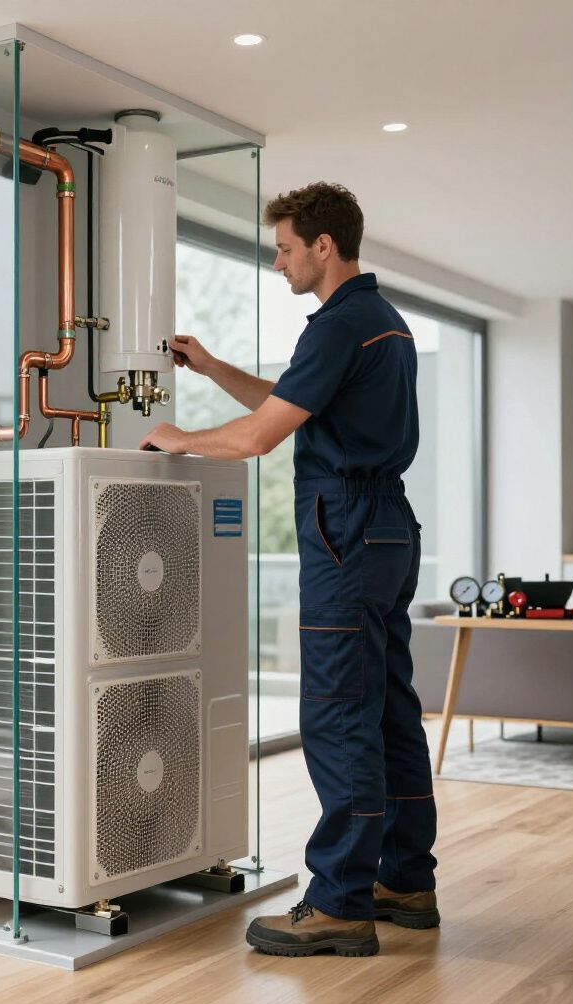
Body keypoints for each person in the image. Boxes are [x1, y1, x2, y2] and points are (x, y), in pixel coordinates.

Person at [139, 182, 438, 958]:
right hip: (387, 532)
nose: (278, 263)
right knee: (388, 710)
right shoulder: (384, 323)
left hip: (346, 530)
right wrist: (211, 367)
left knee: (339, 713)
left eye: (283, 248)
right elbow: (291, 401)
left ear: (323, 247)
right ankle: (405, 878)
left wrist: (179, 439)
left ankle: (340, 901)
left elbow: (259, 440)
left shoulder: (341, 324)